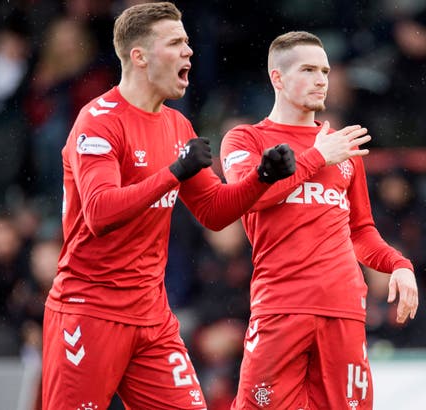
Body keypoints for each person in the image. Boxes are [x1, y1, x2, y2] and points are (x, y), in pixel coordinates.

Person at [41, 3, 296, 409]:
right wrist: (173, 172)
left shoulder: (178, 125)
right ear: (139, 56)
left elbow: (213, 211)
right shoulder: (98, 121)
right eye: (176, 43)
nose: (188, 52)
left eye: (188, 43)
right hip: (90, 312)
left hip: (152, 315)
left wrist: (260, 179)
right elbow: (100, 212)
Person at [220, 31, 419, 409]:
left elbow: (360, 230)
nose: (320, 80)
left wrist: (399, 264)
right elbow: (250, 198)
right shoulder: (245, 139)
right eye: (308, 69)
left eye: (325, 71)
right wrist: (315, 157)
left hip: (343, 307)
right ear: (277, 78)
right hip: (281, 305)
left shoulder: (343, 148)